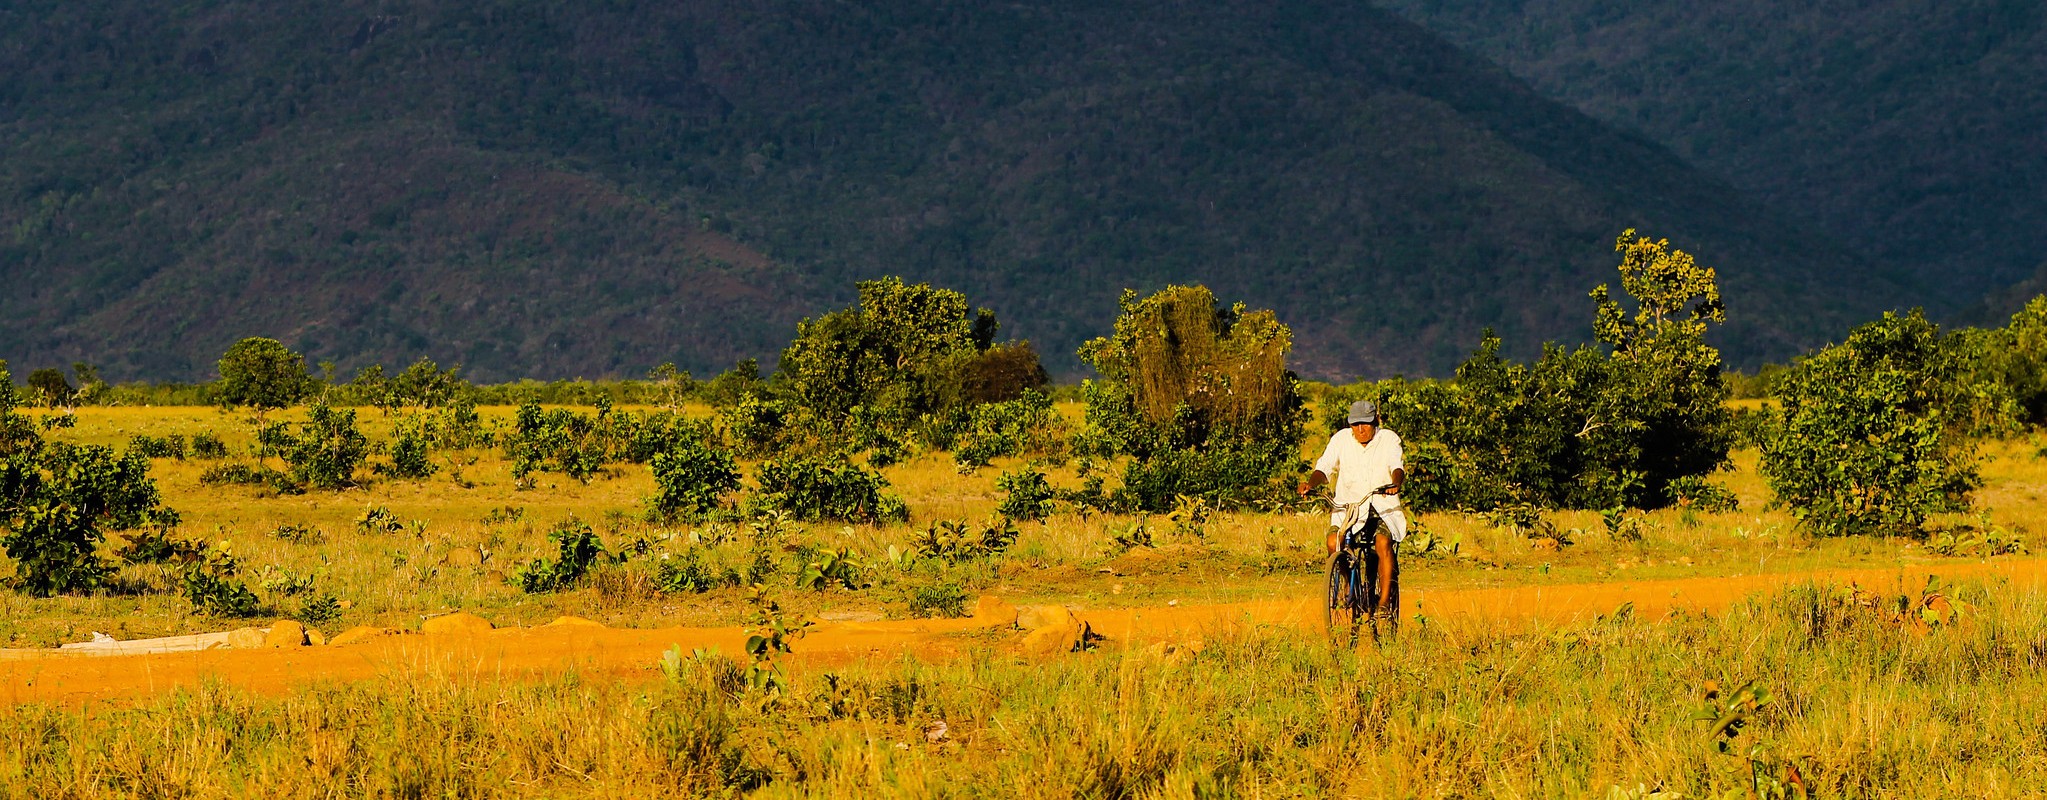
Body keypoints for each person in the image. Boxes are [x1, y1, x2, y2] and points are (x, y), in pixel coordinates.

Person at [1297, 400, 1407, 615]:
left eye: (1365, 424)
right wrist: (1311, 484)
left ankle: (1384, 602)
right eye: (1355, 424)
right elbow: (1324, 468)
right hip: (1349, 508)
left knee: (1383, 542)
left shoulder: (1388, 439)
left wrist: (1395, 484)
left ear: (1375, 421)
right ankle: (1349, 585)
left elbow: (1397, 467)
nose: (1361, 429)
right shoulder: (1341, 440)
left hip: (1380, 506)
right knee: (1333, 542)